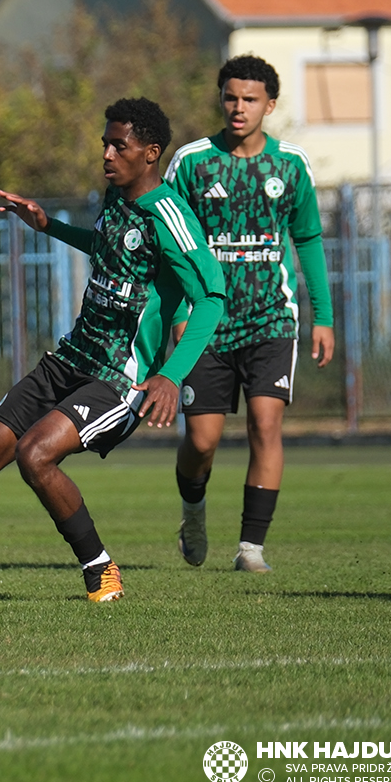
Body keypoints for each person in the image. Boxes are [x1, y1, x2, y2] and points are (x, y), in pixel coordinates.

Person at [0, 99, 226, 604]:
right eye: (105, 144)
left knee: (36, 455)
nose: (108, 154)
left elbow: (212, 299)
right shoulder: (115, 200)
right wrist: (48, 226)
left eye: (120, 145)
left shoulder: (169, 215)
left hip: (122, 377)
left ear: (151, 153)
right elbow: (108, 249)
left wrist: (172, 374)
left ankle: (101, 569)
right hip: (72, 358)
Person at [165, 56, 333, 573]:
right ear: (221, 100)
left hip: (272, 320)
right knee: (202, 439)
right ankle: (193, 512)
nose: (239, 108)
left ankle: (251, 549)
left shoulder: (291, 166)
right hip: (206, 323)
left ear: (270, 105)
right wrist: (175, 315)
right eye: (231, 97)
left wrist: (322, 316)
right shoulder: (193, 162)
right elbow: (168, 239)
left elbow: (307, 239)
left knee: (266, 424)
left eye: (251, 99)